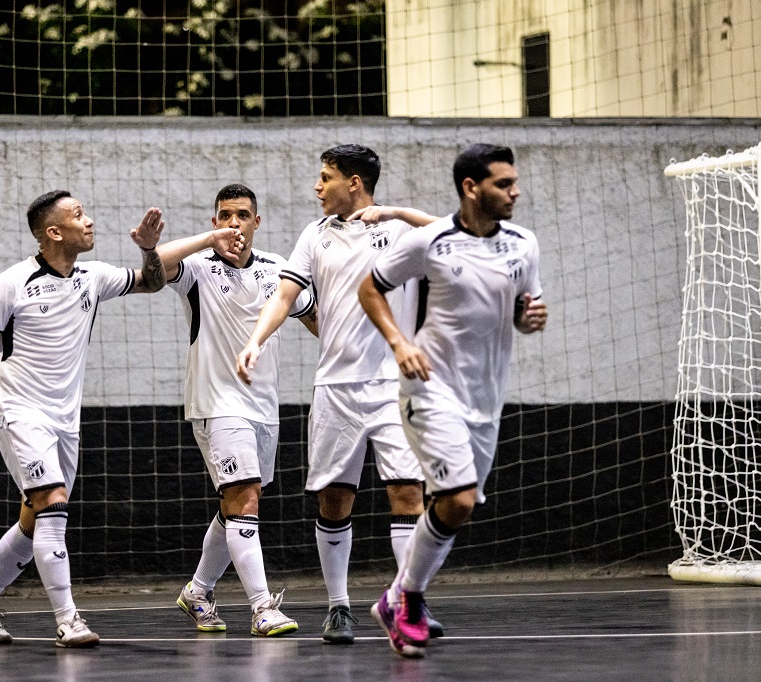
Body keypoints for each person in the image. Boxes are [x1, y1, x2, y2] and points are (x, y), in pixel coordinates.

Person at [0, 190, 167, 648]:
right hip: (19, 415)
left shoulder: (93, 277)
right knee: (52, 502)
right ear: (54, 232)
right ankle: (69, 620)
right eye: (78, 216)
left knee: (35, 521)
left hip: (64, 423)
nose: (89, 221)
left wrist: (150, 248)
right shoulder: (11, 284)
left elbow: (152, 282)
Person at [236, 145, 443, 644]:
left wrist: (393, 209)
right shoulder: (315, 234)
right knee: (334, 499)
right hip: (335, 389)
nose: (316, 186)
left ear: (354, 182)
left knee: (407, 492)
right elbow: (285, 296)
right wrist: (255, 340)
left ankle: (407, 602)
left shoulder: (398, 231)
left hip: (394, 387)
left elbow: (450, 231)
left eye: (324, 177)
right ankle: (339, 605)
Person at [358, 144, 548, 658]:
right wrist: (399, 343)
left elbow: (522, 309)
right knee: (458, 498)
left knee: (455, 509)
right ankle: (410, 599)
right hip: (429, 388)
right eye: (504, 184)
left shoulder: (523, 245)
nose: (515, 191)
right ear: (471, 187)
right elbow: (370, 288)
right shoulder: (430, 241)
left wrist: (528, 320)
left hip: (485, 399)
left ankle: (393, 598)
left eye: (514, 182)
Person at [157, 183, 318, 636]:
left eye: (243, 215)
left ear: (256, 222)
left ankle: (198, 590)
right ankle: (262, 608)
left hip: (264, 409)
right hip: (216, 403)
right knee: (245, 496)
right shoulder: (198, 268)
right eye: (225, 215)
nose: (234, 223)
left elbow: (314, 317)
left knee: (236, 505)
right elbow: (158, 263)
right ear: (215, 222)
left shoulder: (277, 269)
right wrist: (208, 242)